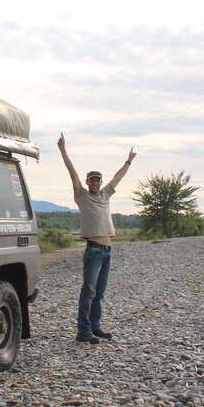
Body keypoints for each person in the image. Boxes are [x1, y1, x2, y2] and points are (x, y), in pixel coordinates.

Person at [57, 133, 136, 344]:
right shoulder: (81, 195)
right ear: (87, 182)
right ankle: (83, 331)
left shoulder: (105, 194)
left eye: (97, 180)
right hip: (93, 250)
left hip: (108, 251)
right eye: (92, 180)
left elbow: (118, 177)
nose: (95, 183)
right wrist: (63, 150)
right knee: (89, 291)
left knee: (99, 293)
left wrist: (128, 161)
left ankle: (95, 327)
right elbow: (71, 173)